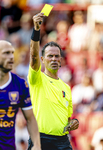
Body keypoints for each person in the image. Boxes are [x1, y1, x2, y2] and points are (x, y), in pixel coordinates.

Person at [27, 13, 79, 150]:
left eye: (57, 56)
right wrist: (36, 30)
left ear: (61, 60)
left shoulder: (66, 87)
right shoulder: (37, 78)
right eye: (50, 56)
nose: (54, 59)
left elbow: (68, 119)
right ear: (42, 60)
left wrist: (73, 122)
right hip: (40, 139)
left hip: (62, 142)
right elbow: (33, 54)